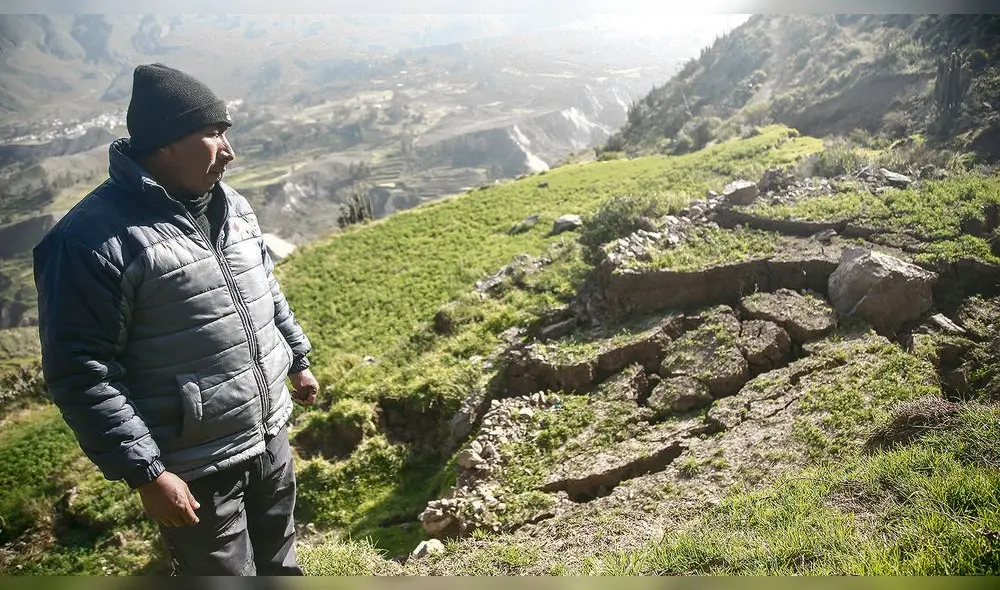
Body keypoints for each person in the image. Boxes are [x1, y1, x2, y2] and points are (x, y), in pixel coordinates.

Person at [32, 63, 320, 576]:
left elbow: (265, 287)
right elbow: (81, 370)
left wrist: (296, 359)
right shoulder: (91, 242)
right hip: (195, 465)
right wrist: (147, 473)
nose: (228, 151)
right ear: (164, 144)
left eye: (226, 132)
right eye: (212, 134)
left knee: (281, 565)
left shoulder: (232, 205)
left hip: (268, 431)